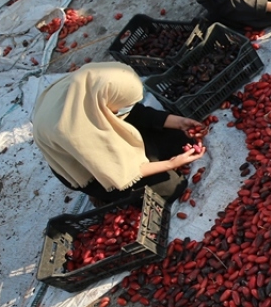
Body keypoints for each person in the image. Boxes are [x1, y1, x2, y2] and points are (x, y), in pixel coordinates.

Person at [32, 62, 205, 204]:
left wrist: (178, 121)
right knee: (172, 188)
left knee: (180, 138)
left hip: (97, 131)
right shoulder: (80, 134)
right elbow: (125, 172)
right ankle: (107, 196)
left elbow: (133, 112)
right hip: (94, 169)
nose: (126, 108)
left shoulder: (91, 85)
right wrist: (171, 164)